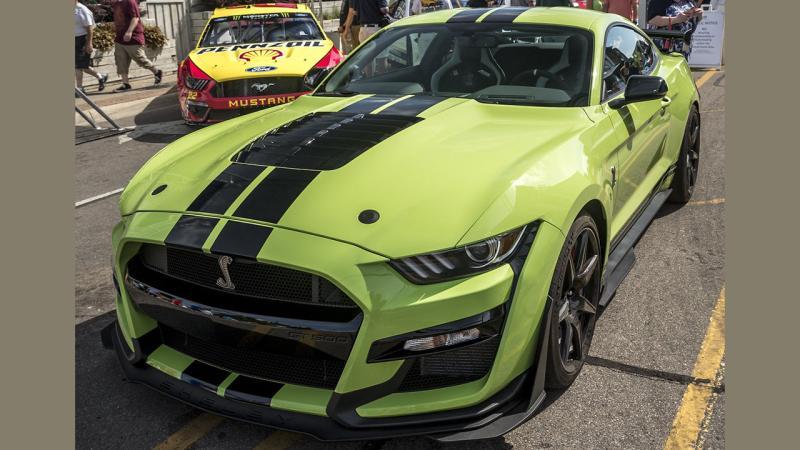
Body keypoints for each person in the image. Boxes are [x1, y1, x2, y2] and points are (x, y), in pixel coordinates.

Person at [111, 0, 163, 92]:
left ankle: (157, 72)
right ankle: (125, 84)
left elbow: (135, 18)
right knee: (120, 61)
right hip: (120, 38)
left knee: (140, 58)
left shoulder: (130, 2)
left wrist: (129, 31)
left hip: (133, 36)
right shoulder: (116, 3)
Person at [75, 0, 107, 93]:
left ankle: (80, 89)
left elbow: (90, 29)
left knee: (78, 66)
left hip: (82, 39)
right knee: (82, 66)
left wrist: (89, 43)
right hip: (74, 39)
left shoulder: (82, 10)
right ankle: (100, 76)